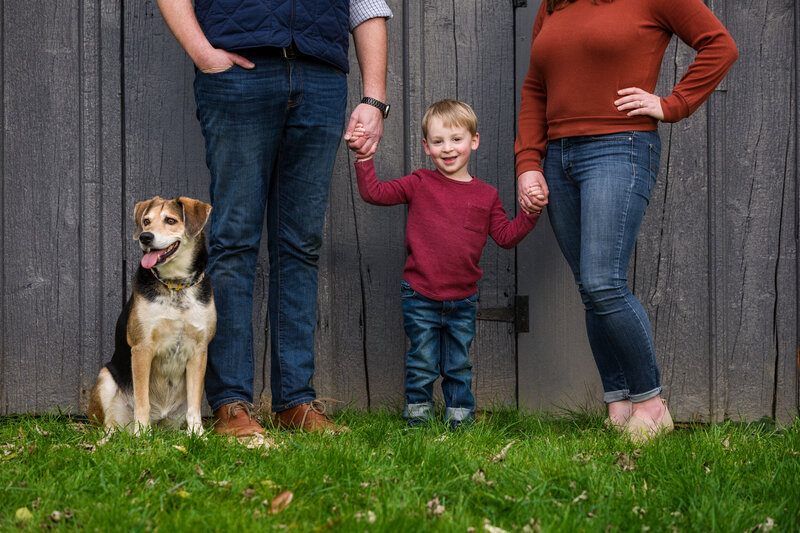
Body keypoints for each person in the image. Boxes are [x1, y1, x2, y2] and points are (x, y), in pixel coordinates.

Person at [156, 0, 393, 436]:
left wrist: (374, 98)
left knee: (301, 246)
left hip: (321, 79)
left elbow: (367, 3)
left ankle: (295, 403)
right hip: (240, 75)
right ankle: (230, 404)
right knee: (233, 244)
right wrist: (203, 54)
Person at [516, 0, 737, 442]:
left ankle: (652, 405)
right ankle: (619, 404)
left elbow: (720, 46)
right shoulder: (553, 4)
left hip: (619, 146)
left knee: (603, 282)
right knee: (589, 287)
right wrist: (528, 162)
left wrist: (672, 104)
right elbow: (535, 89)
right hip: (558, 158)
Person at [349, 100, 541, 428]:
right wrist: (365, 159)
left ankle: (460, 425)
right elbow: (375, 193)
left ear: (474, 141)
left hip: (462, 300)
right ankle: (418, 423)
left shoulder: (487, 195)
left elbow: (507, 237)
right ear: (426, 147)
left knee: (457, 366)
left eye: (456, 139)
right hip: (420, 295)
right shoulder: (419, 183)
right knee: (422, 363)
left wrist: (530, 213)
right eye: (438, 142)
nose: (447, 149)